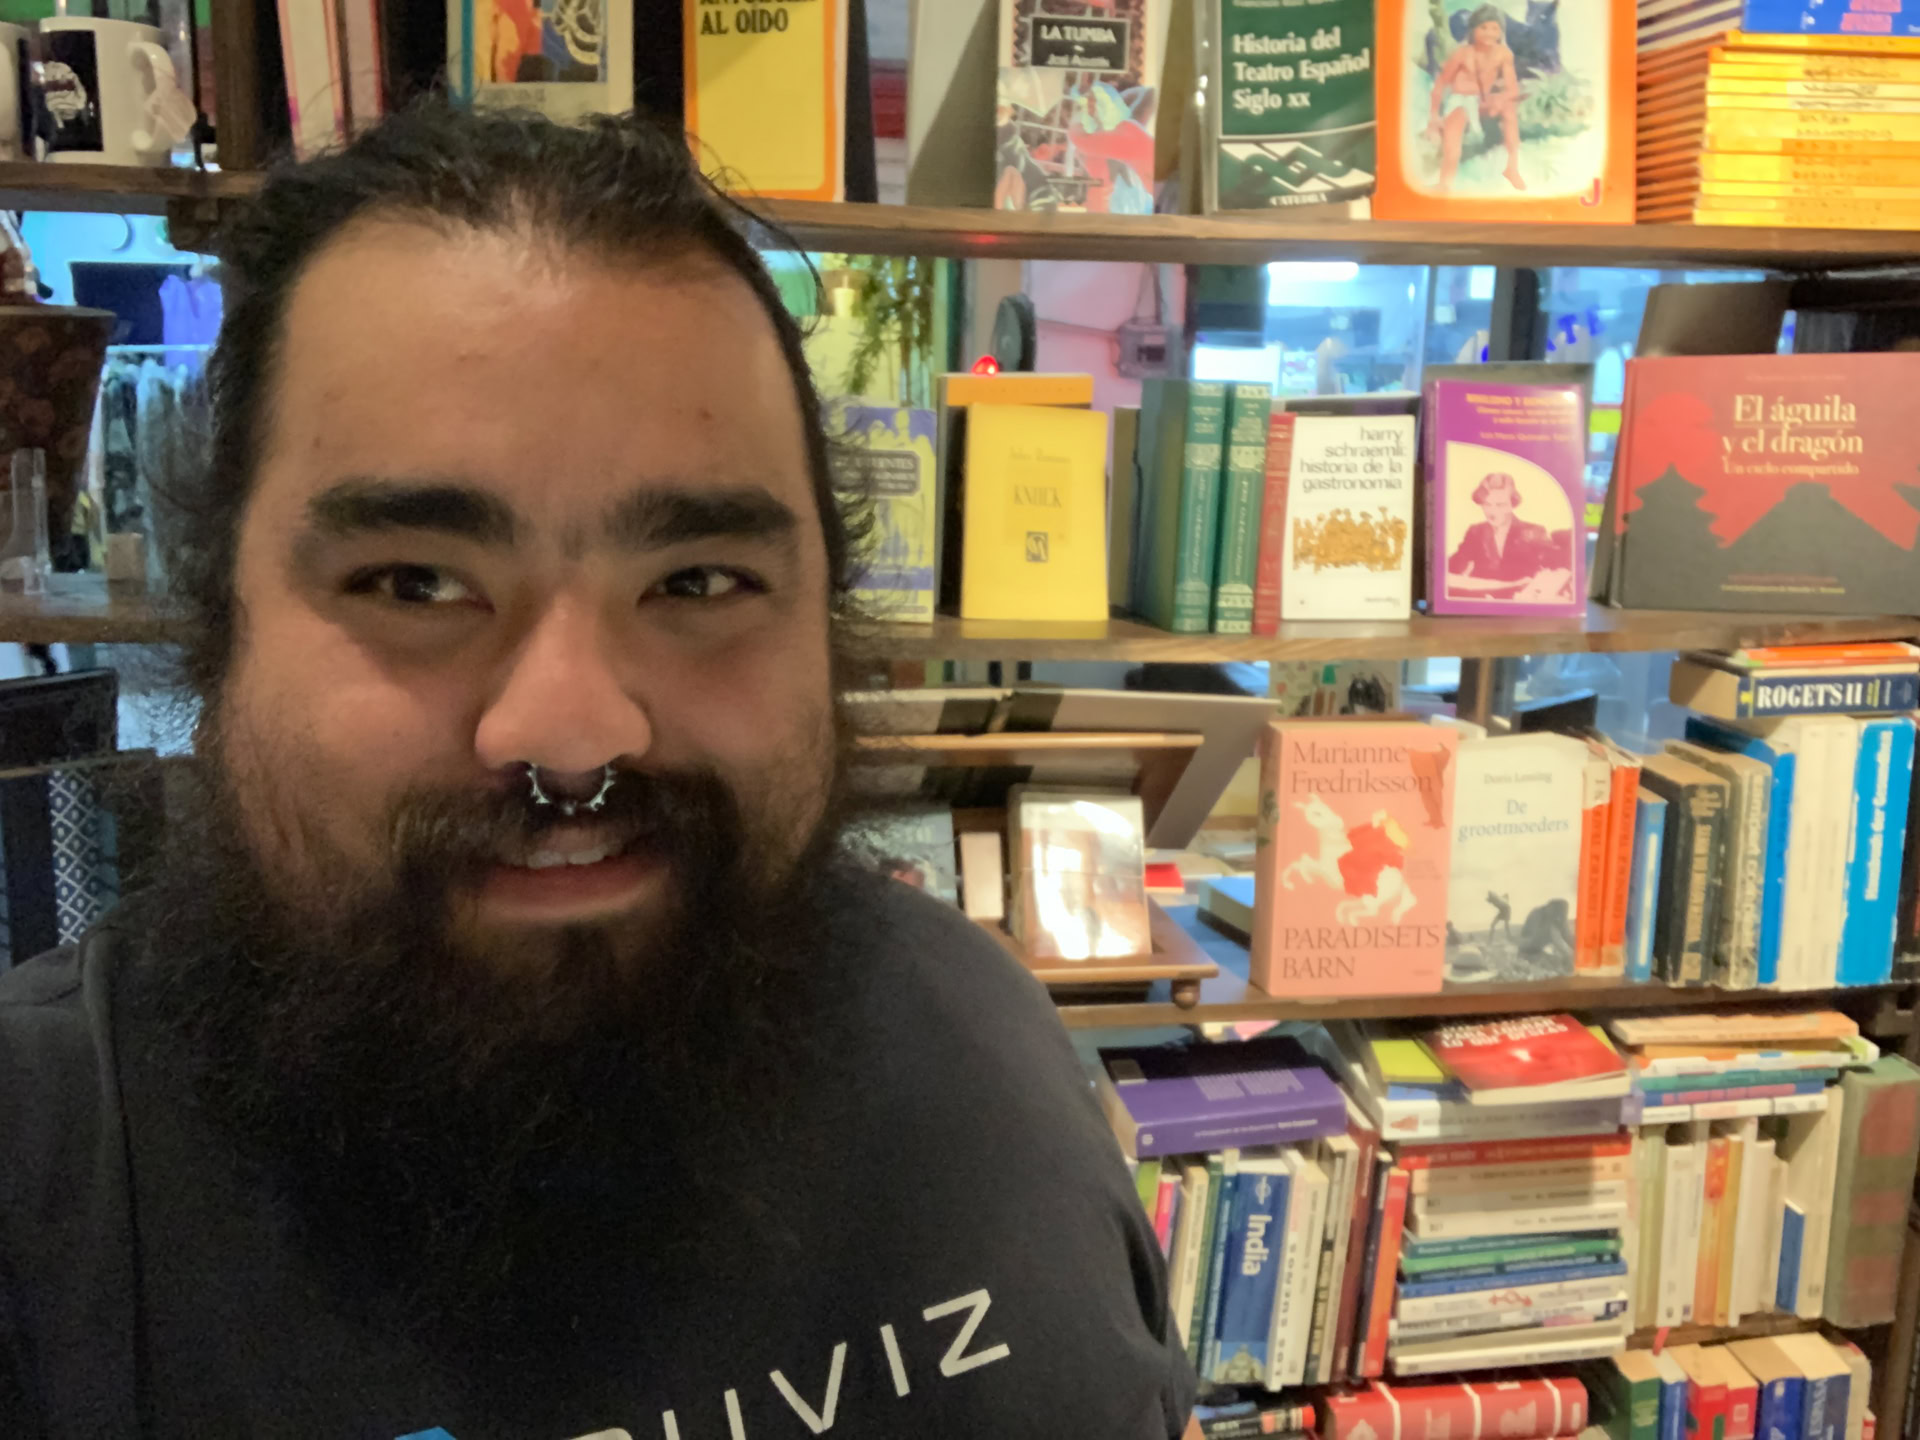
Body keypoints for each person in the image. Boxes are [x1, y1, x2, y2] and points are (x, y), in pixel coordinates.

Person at [0, 106, 1198, 1439]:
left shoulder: (981, 1032)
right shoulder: (43, 1191)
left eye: (696, 581)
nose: (572, 735)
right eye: (415, 583)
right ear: (221, 627)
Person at [1426, 3, 1525, 193]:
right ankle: (1445, 182)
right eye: (1484, 27)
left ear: (1501, 32)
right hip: (1461, 101)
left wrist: (1500, 99)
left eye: (1494, 28)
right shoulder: (1463, 53)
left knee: (1509, 109)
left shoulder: (1503, 54)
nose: (1489, 33)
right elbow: (1441, 83)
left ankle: (1512, 168)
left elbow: (1512, 89)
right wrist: (1434, 116)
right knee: (1455, 125)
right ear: (1473, 29)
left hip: (1483, 102)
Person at [1445, 471, 1571, 603]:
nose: (1492, 512)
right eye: (1487, 504)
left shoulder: (1533, 532)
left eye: (1500, 505)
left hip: (1519, 603)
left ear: (1512, 504)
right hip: (1482, 602)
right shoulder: (1476, 532)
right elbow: (1454, 565)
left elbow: (1558, 566)